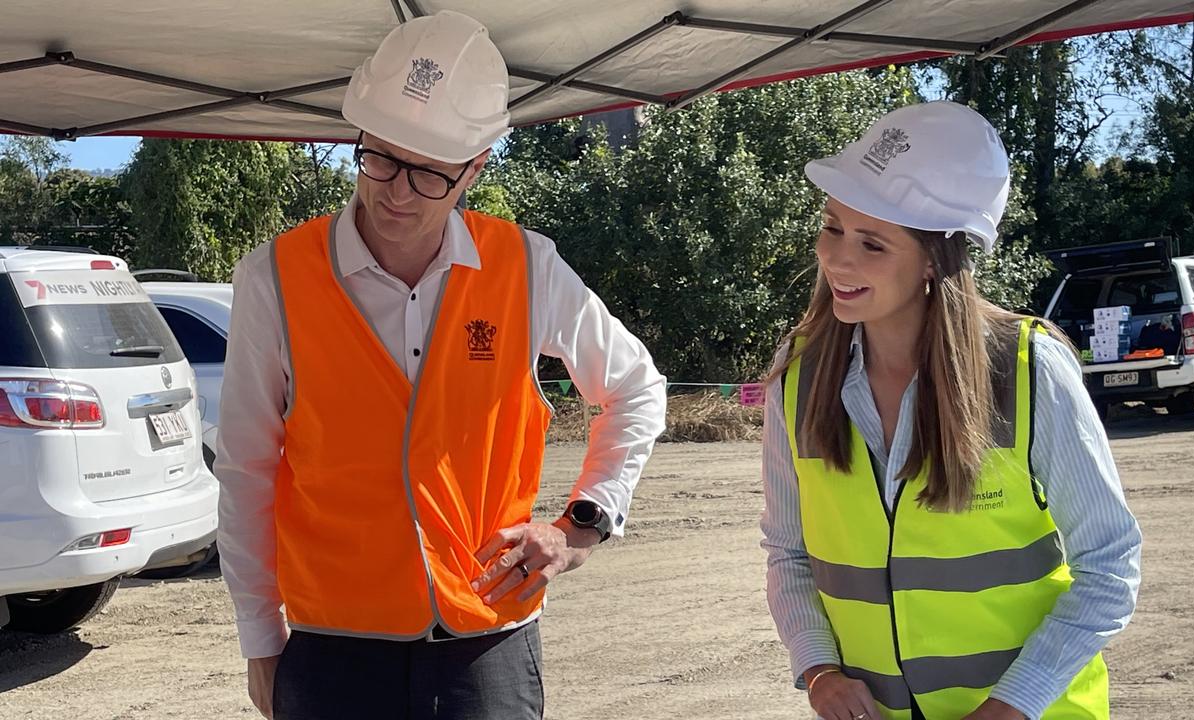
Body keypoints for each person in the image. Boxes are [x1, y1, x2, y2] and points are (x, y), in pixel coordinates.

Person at [214, 12, 666, 719]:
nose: (396, 191)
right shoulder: (274, 278)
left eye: (428, 174)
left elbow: (636, 386)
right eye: (382, 159)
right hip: (332, 645)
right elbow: (245, 468)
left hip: (486, 641)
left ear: (475, 168)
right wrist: (260, 639)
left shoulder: (527, 267)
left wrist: (582, 524)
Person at [760, 101, 1141, 720]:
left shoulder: (1028, 369)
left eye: (873, 244)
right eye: (832, 227)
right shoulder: (798, 377)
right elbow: (789, 551)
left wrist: (1013, 704)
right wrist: (819, 669)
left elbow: (1109, 565)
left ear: (937, 260)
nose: (838, 259)